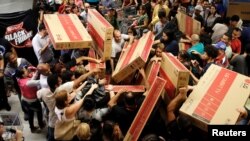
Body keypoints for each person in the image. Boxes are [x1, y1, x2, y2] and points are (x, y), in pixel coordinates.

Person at [15, 67, 45, 133]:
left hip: (25, 100)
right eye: (25, 70)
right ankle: (41, 124)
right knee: (39, 112)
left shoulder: (19, 79)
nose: (27, 70)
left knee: (30, 114)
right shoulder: (28, 83)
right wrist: (42, 73)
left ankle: (32, 128)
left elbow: (31, 80)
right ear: (23, 75)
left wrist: (37, 71)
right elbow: (40, 82)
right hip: (33, 101)